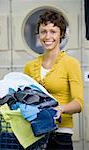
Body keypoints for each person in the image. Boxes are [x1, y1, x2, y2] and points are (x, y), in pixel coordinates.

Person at [24, 9, 83, 150]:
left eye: (53, 31)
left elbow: (79, 103)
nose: (47, 36)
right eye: (43, 31)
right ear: (39, 34)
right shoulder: (29, 67)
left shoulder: (71, 63)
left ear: (61, 34)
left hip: (60, 134)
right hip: (34, 134)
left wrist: (61, 109)